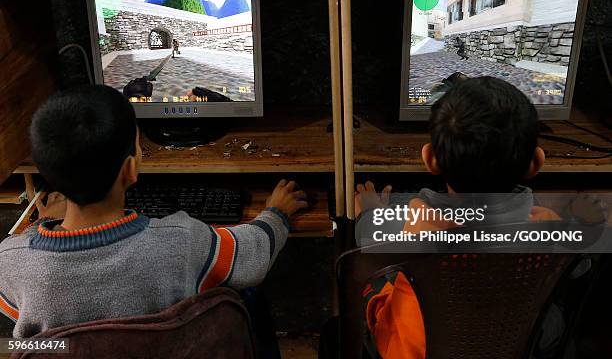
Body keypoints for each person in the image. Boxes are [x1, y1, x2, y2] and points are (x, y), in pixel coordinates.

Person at [0, 85, 307, 342]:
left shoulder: (11, 259)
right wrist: (276, 214)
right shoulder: (181, 241)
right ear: (131, 169)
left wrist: (43, 223)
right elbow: (250, 259)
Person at [354, 76, 551, 359]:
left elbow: (366, 233)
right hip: (514, 342)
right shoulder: (549, 227)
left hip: (414, 349)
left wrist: (372, 210)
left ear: (430, 158)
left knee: (373, 283)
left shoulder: (414, 224)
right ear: (536, 162)